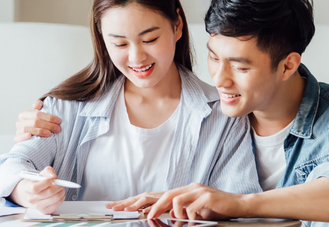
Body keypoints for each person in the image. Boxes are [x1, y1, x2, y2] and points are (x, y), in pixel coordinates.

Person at [0, 0, 262, 214]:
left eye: (149, 39)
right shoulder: (67, 106)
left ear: (177, 25)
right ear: (103, 39)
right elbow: (13, 166)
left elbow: (239, 202)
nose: (137, 57)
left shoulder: (224, 113)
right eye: (120, 44)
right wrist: (26, 191)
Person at [145, 0, 329, 224]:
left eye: (240, 67)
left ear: (288, 66)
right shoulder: (210, 119)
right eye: (214, 58)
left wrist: (239, 204)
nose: (220, 79)